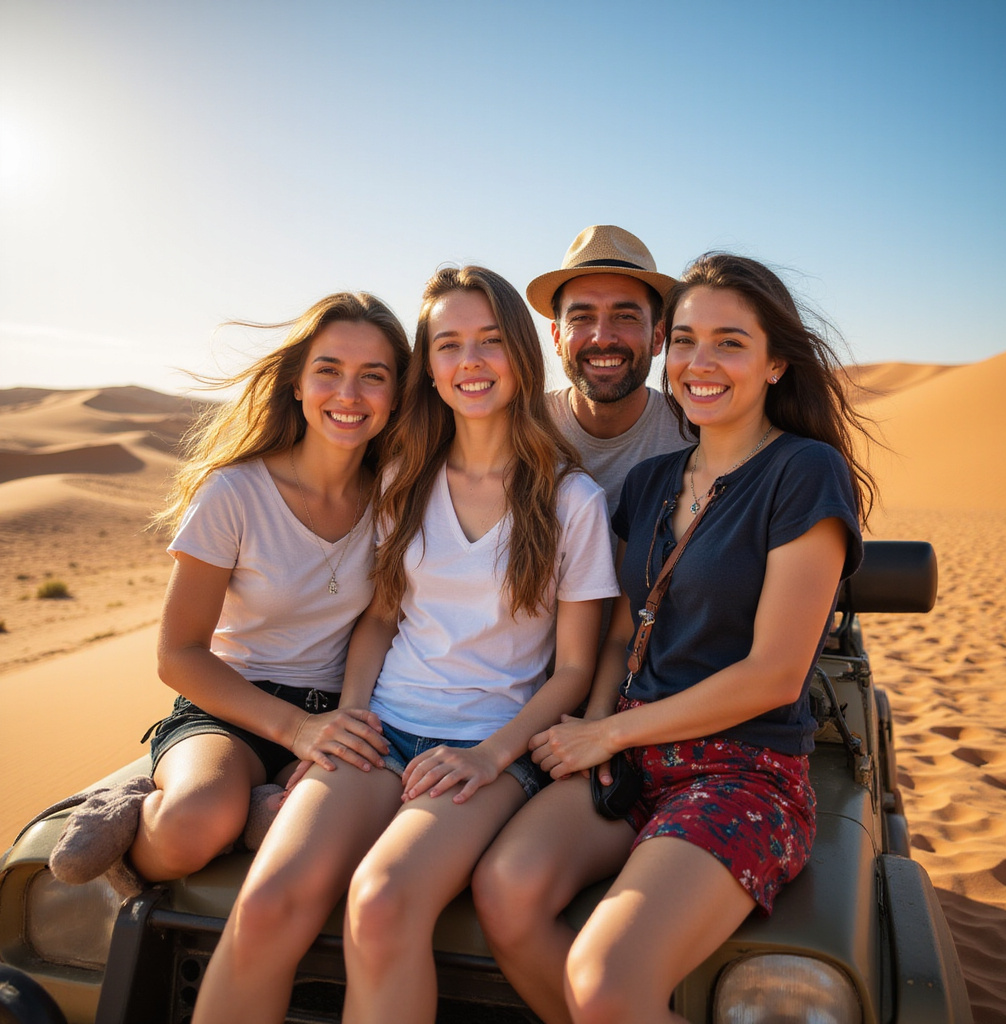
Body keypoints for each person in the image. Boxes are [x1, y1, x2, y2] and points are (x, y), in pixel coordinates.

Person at [189, 265, 619, 1024]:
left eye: (489, 341)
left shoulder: (570, 499)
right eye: (448, 345)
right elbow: (381, 620)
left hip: (485, 749)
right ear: (430, 366)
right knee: (267, 902)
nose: (470, 362)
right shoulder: (403, 477)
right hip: (383, 729)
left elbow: (577, 669)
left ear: (522, 353)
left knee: (382, 901)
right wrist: (344, 720)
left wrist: (493, 755)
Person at [472, 253, 874, 1024]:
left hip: (742, 769)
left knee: (605, 977)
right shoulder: (653, 480)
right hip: (629, 760)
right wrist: (592, 722)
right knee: (504, 894)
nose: (701, 362)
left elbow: (773, 676)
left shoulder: (803, 473)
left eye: (729, 342)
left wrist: (609, 732)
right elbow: (625, 624)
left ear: (775, 362)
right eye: (686, 340)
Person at [49, 292, 411, 897]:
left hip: (340, 715)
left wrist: (343, 716)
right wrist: (294, 730)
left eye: (373, 377)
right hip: (231, 709)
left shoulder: (395, 498)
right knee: (195, 826)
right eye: (329, 371)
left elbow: (379, 618)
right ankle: (138, 803)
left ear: (397, 394)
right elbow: (178, 654)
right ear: (297, 384)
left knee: (339, 842)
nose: (348, 395)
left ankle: (256, 811)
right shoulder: (235, 493)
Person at [527, 224, 685, 510]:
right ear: (557, 337)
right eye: (582, 317)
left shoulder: (695, 437)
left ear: (658, 336)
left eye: (625, 316)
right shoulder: (524, 430)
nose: (602, 338)